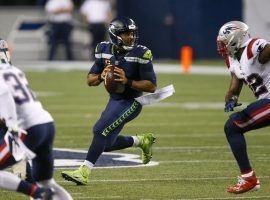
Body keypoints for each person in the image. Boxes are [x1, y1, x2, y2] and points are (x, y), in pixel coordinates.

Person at [61, 17, 157, 185]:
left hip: (132, 101)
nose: (131, 37)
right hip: (115, 100)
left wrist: (127, 81)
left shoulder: (141, 53)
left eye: (132, 33)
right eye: (126, 33)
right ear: (115, 35)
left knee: (99, 130)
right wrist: (101, 76)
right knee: (104, 144)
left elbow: (151, 86)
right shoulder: (103, 49)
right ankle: (141, 140)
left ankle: (84, 172)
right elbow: (90, 80)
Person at [0, 38, 73, 199]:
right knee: (46, 181)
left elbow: (4, 94)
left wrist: (11, 125)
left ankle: (37, 193)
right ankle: (40, 190)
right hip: (45, 123)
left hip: (26, 129)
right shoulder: (14, 70)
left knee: (40, 187)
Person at [217, 21, 270, 194]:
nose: (222, 47)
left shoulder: (254, 46)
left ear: (235, 39)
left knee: (233, 126)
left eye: (224, 42)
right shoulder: (234, 59)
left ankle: (249, 178)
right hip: (266, 100)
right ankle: (249, 178)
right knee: (232, 126)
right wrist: (231, 99)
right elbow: (234, 87)